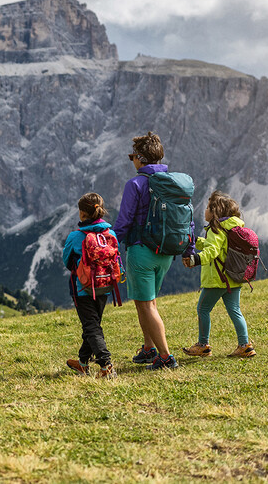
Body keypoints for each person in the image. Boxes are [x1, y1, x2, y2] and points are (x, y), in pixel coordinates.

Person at [115, 131, 189, 370]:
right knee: (147, 302)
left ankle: (166, 357)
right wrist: (190, 248)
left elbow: (124, 222)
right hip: (167, 252)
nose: (132, 161)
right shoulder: (174, 183)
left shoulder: (135, 184)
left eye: (132, 156)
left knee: (147, 305)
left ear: (140, 157)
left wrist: (108, 244)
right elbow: (188, 220)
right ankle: (149, 349)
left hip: (141, 252)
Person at [181, 191, 256, 358]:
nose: (205, 210)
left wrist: (195, 260)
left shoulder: (216, 228)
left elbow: (212, 250)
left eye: (208, 208)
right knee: (235, 310)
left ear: (215, 212)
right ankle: (245, 345)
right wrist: (194, 240)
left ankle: (203, 344)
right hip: (233, 277)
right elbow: (213, 245)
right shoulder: (231, 227)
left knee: (203, 309)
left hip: (217, 279)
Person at [61, 193, 119, 378]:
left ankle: (106, 365)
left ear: (82, 214)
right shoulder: (111, 233)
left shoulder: (75, 236)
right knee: (92, 325)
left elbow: (66, 260)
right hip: (105, 285)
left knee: (91, 326)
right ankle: (83, 363)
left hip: (83, 288)